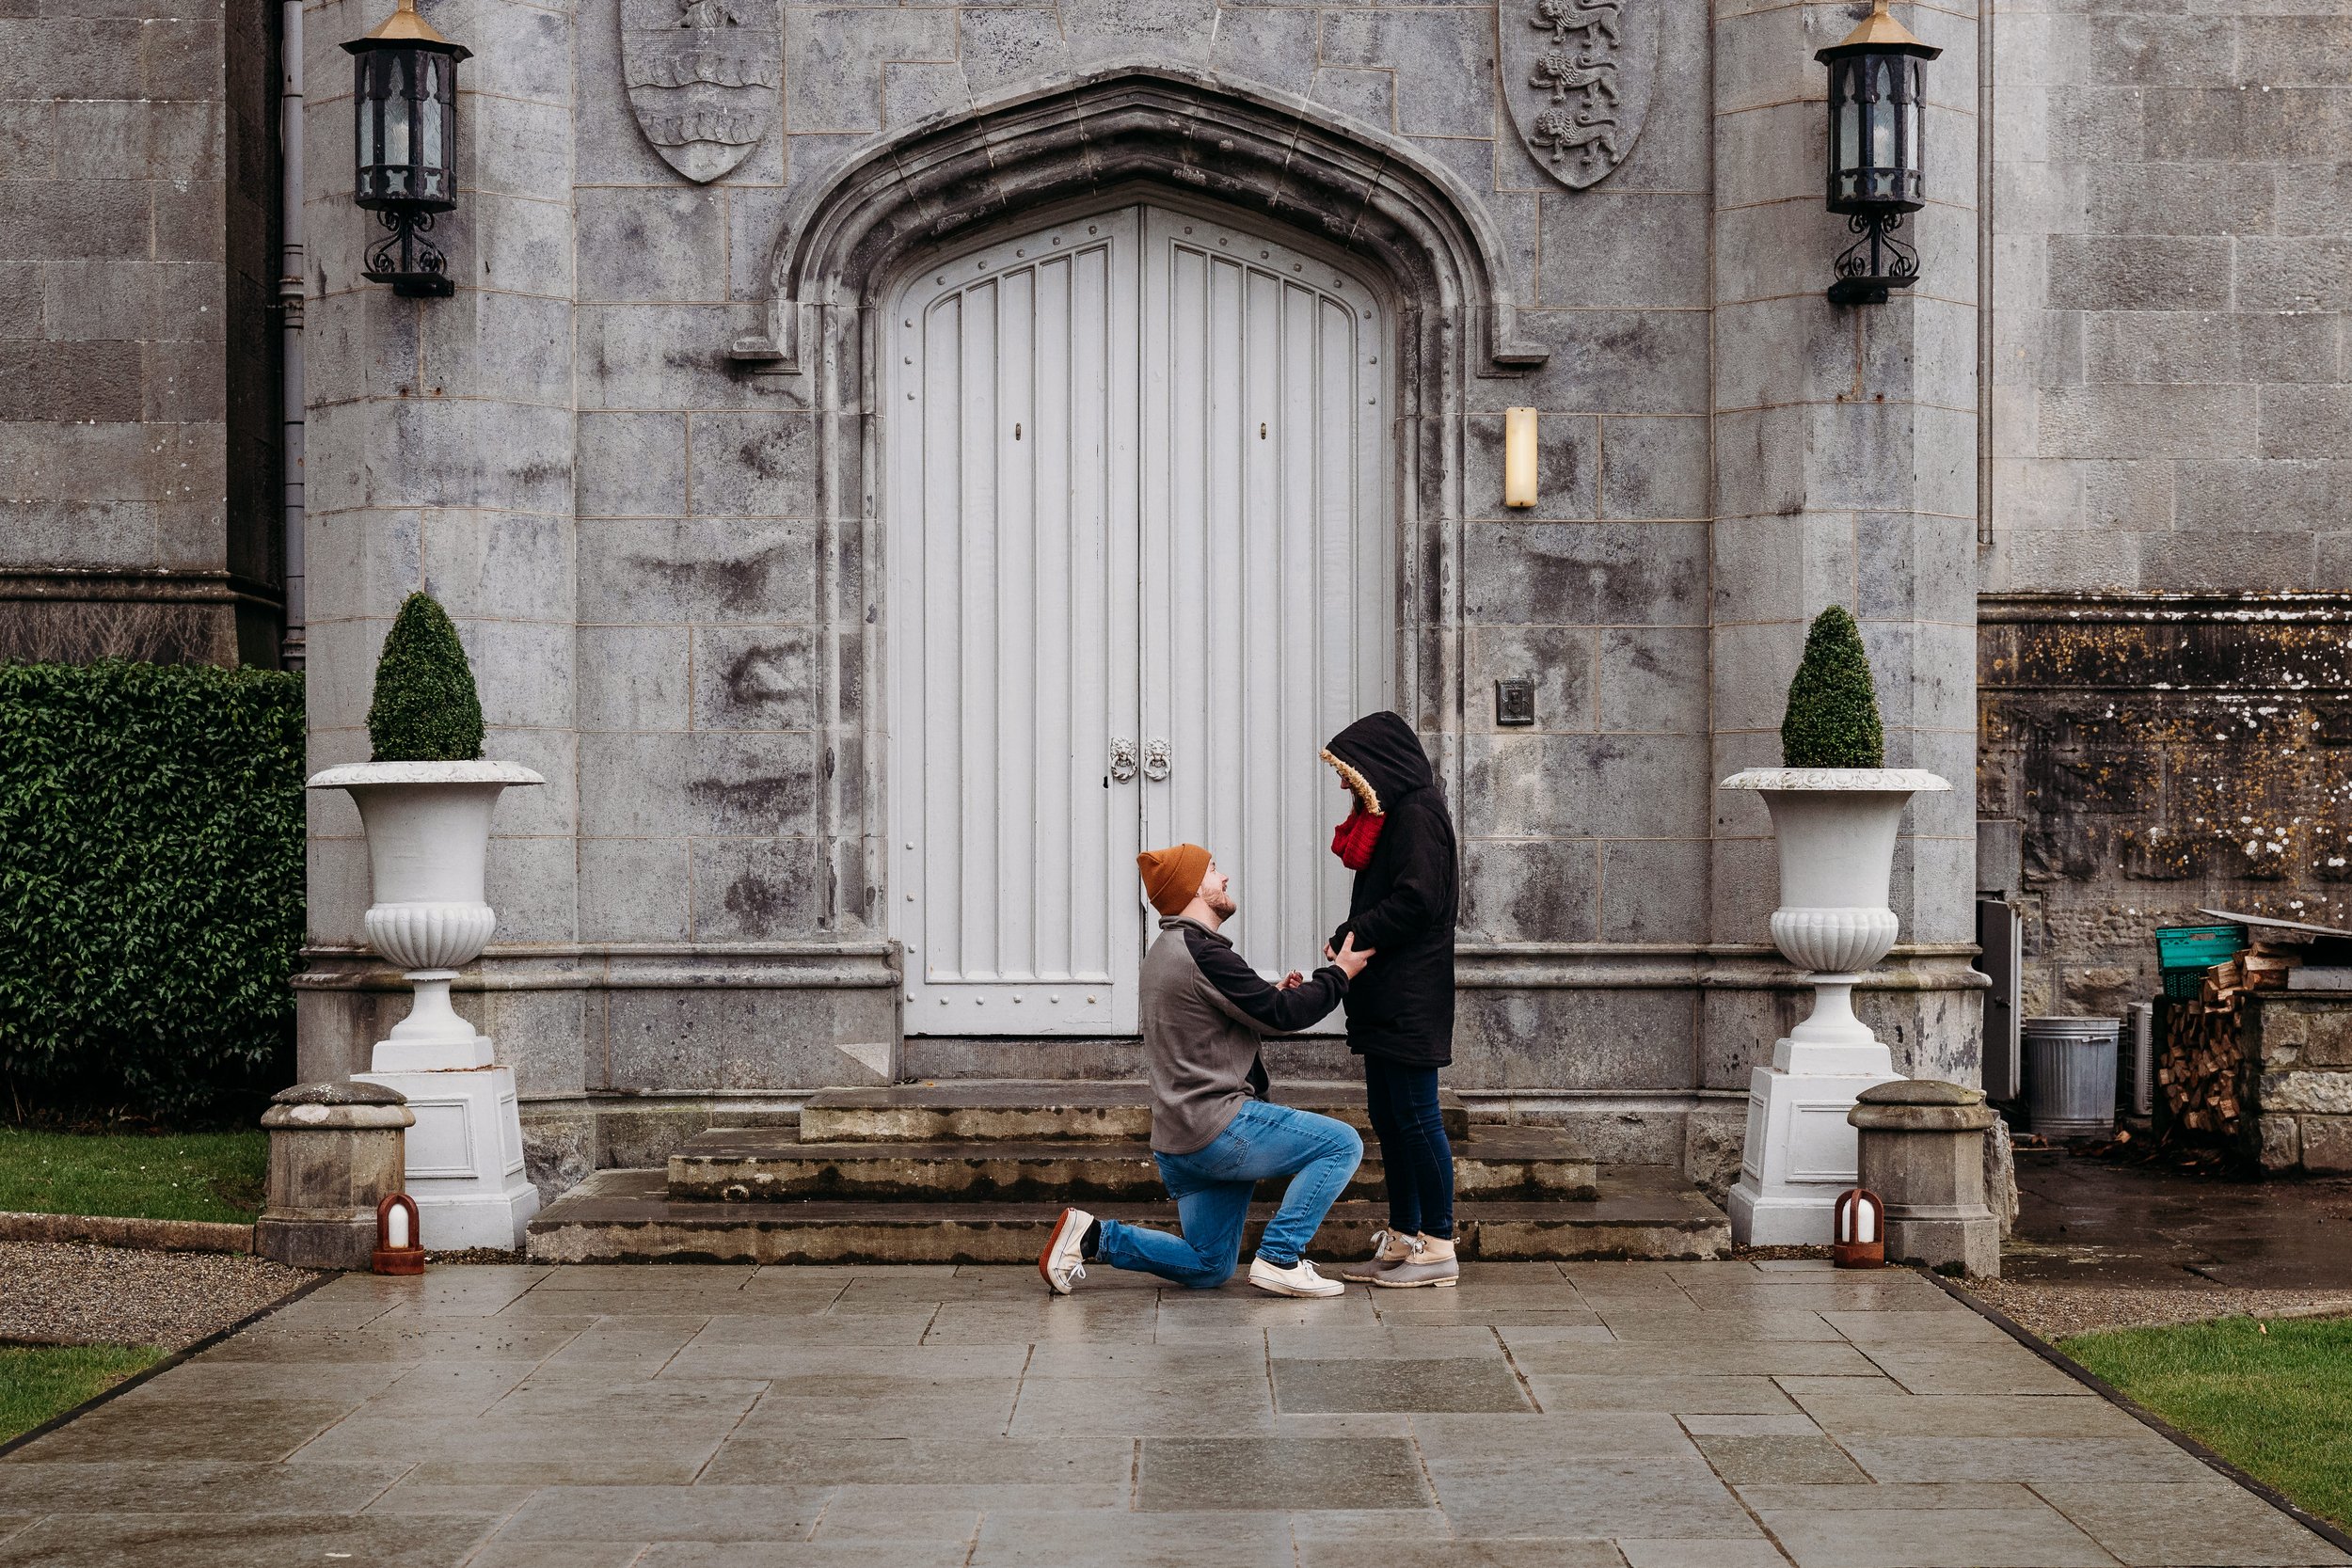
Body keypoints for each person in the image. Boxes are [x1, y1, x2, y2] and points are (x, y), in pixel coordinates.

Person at [1038, 844, 1374, 1298]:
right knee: (1341, 1144)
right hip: (1219, 1128)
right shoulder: (1202, 952)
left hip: (1180, 1140)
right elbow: (1282, 1014)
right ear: (1194, 886)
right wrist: (1339, 974)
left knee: (1210, 1264)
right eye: (1214, 870)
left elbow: (1217, 1019)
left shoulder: (1165, 953)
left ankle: (1092, 1236)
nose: (1225, 878)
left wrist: (1269, 996)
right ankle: (1280, 1257)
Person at [1320, 711, 1463, 1289]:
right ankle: (1406, 1234)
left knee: (1416, 1116)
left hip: (1411, 993)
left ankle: (1440, 1244)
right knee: (1389, 1116)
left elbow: (1418, 901)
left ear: (1379, 767)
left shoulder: (1418, 815)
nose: (1344, 784)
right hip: (1388, 994)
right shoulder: (1401, 814)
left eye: (1350, 772)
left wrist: (1352, 937)